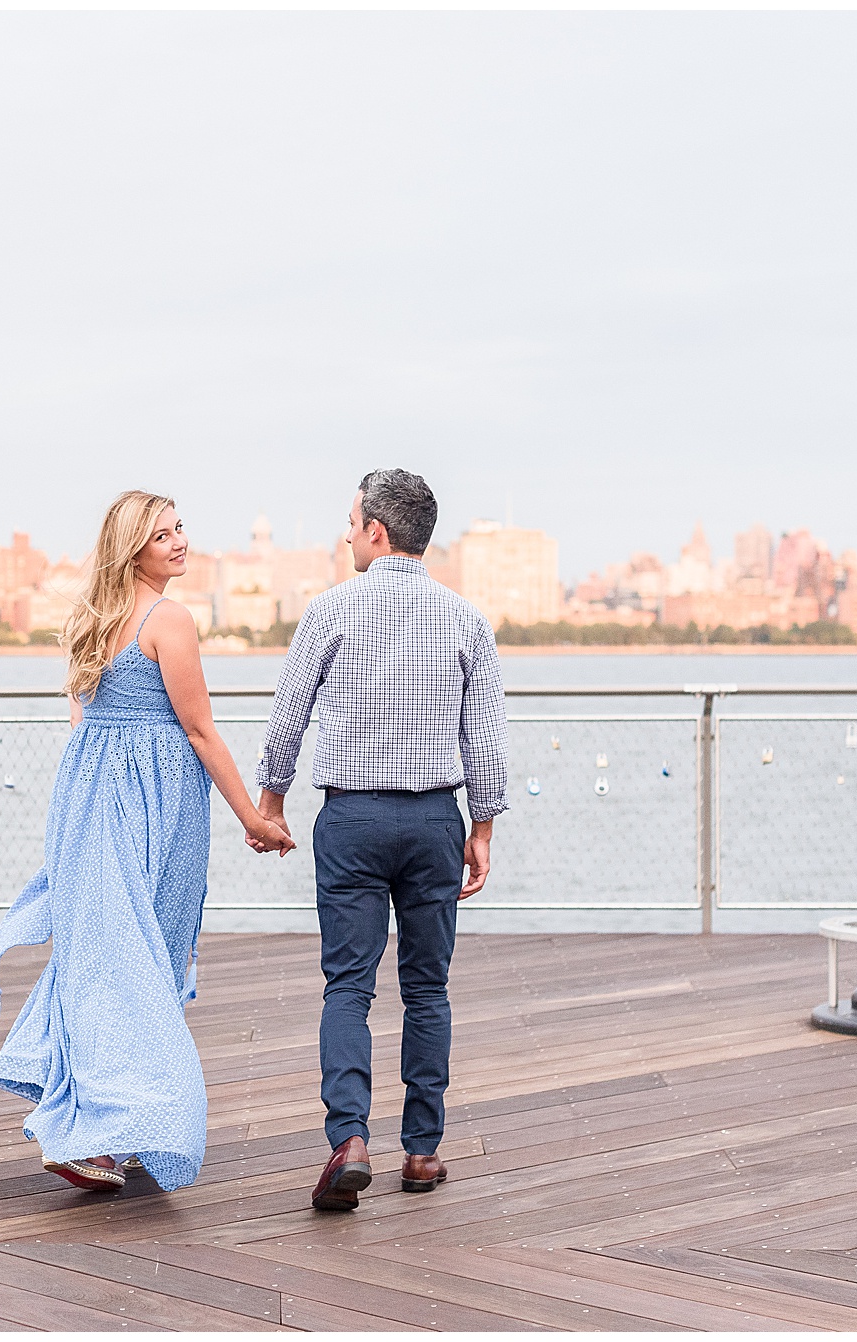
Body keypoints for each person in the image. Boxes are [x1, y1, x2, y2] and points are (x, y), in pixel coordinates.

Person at [0, 489, 295, 1193]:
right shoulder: (170, 620)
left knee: (101, 956)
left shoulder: (91, 619)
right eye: (163, 536)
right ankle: (108, 1126)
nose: (180, 541)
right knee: (136, 959)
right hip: (155, 807)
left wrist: (103, 772)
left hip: (90, 800)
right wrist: (252, 817)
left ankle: (100, 1122)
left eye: (180, 527)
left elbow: (80, 714)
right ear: (134, 550)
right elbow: (199, 731)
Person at [252, 468, 508, 1212]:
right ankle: (422, 1154)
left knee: (349, 987)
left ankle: (350, 1141)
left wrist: (272, 800)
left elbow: (288, 717)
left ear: (377, 532)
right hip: (434, 821)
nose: (344, 534)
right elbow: (486, 742)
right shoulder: (466, 621)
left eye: (351, 521)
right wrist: (482, 827)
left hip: (353, 821)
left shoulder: (328, 611)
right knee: (428, 988)